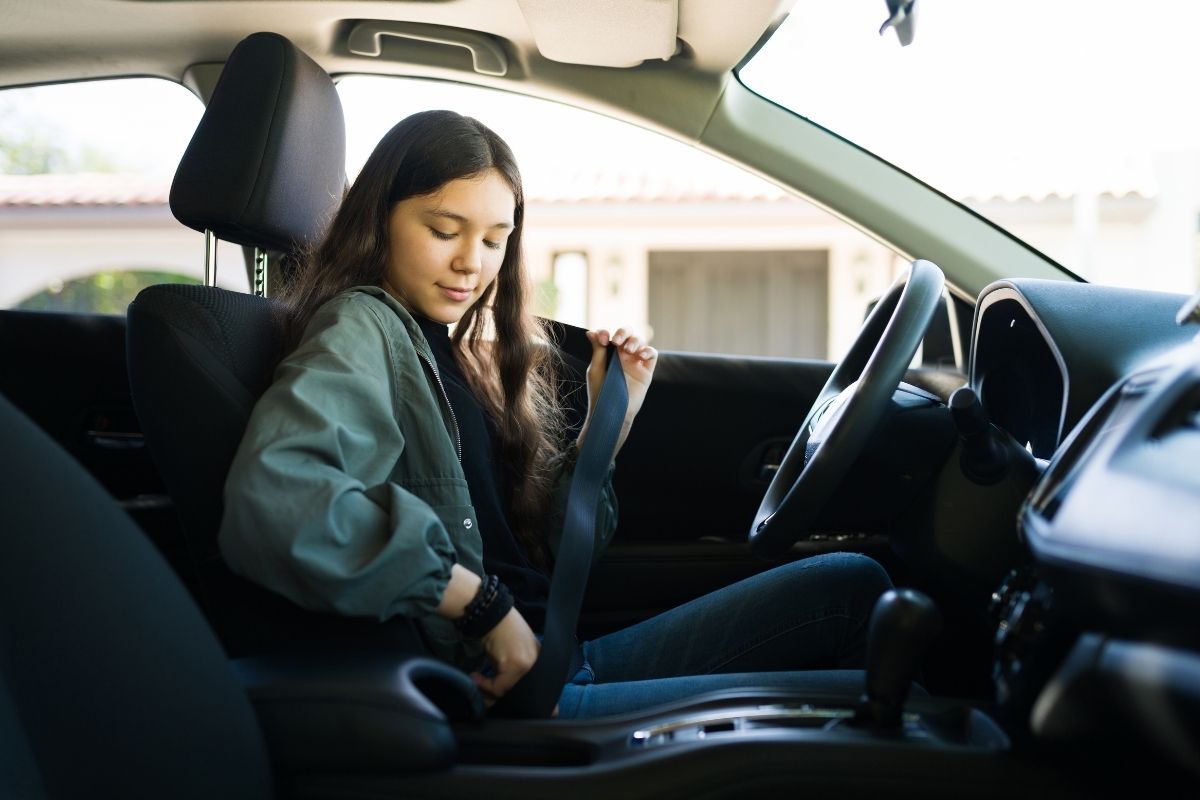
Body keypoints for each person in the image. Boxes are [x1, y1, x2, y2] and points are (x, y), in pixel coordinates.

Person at [220, 109, 893, 719]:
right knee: (892, 700)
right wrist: (479, 605)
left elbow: (538, 557)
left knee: (853, 587)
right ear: (380, 219)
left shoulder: (442, 347)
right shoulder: (362, 328)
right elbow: (278, 499)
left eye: (494, 239)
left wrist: (611, 420)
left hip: (557, 653)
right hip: (517, 695)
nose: (471, 263)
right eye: (443, 230)